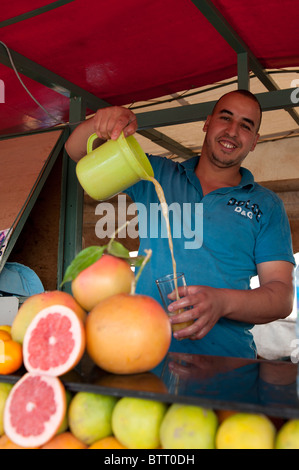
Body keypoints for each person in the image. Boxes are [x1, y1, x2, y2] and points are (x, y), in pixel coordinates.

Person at [65, 90, 295, 360]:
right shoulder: (157, 174)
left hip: (225, 364)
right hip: (141, 354)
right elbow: (76, 151)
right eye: (225, 118)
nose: (233, 131)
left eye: (246, 125)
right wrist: (99, 124)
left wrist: (222, 302)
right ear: (207, 123)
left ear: (254, 141)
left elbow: (281, 297)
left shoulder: (265, 205)